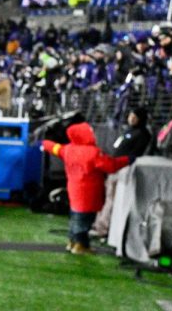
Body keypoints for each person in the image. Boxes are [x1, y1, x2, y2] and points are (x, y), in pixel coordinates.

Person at [42, 122, 129, 255]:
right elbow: (111, 166)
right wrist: (127, 160)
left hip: (74, 190)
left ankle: (72, 242)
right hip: (89, 192)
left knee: (75, 217)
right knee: (84, 221)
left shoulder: (68, 149)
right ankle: (81, 245)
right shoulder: (94, 153)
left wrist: (44, 143)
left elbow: (55, 148)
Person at [91, 106, 152, 237]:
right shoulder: (128, 131)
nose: (131, 119)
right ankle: (99, 224)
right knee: (107, 197)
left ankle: (103, 228)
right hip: (113, 168)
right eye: (130, 116)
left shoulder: (143, 134)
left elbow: (136, 153)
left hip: (123, 170)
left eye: (134, 117)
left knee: (113, 199)